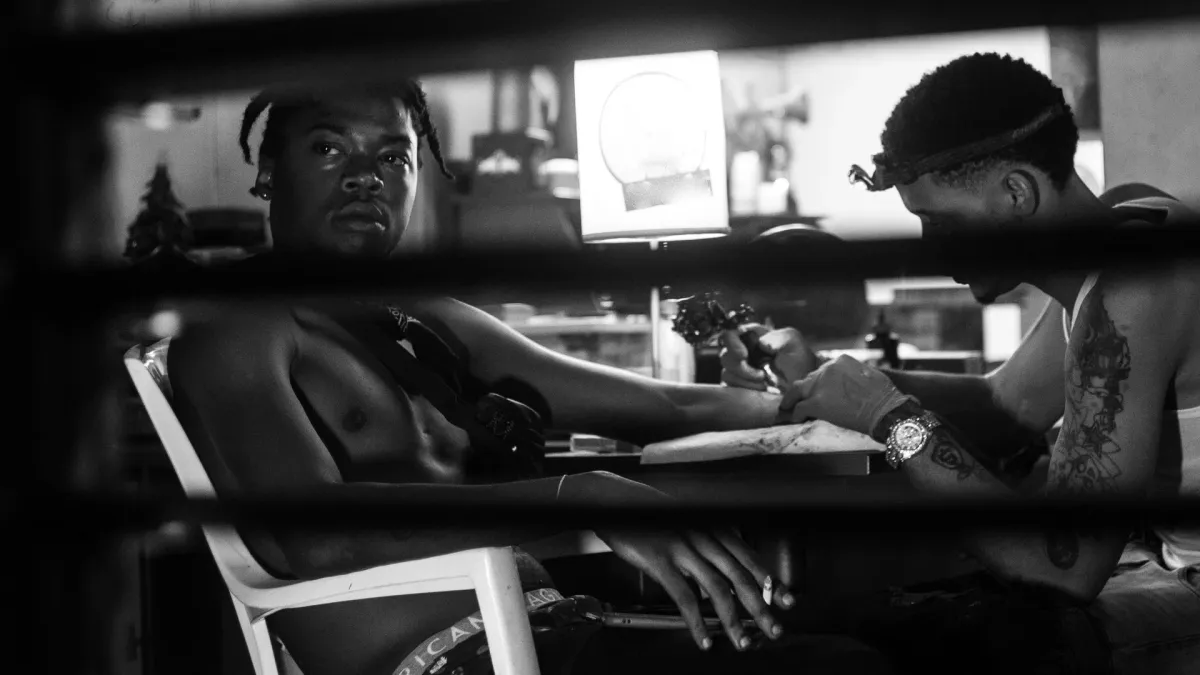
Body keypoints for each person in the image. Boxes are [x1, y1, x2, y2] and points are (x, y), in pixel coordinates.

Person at [166, 82, 891, 675]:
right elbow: (315, 537)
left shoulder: (421, 320)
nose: (366, 176)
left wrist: (791, 397)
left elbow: (657, 405)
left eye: (393, 157)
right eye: (329, 148)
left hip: (548, 627)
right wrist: (583, 493)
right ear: (268, 172)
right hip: (449, 661)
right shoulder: (239, 328)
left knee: (884, 635)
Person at [721, 53, 1200, 674]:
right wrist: (832, 373)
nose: (931, 249)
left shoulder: (1133, 286)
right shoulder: (1125, 229)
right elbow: (1007, 404)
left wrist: (893, 420)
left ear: (1017, 193)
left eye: (939, 221)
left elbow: (1065, 566)